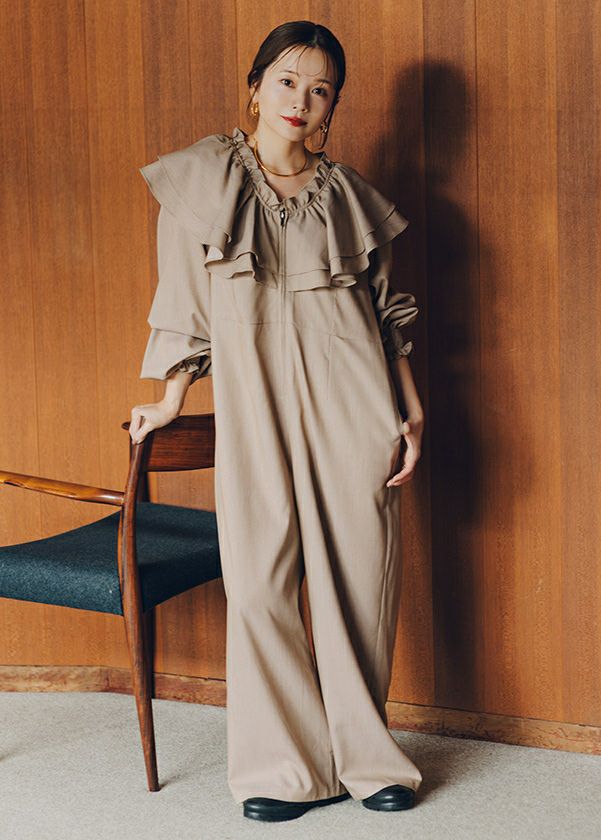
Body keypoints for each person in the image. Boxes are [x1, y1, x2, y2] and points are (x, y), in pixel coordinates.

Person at [129, 20, 425, 823]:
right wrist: (171, 399)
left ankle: (368, 761)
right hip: (253, 404)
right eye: (288, 80)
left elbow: (385, 313)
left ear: (333, 105)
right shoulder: (201, 182)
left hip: (354, 399)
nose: (302, 99)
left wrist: (408, 405)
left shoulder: (351, 197)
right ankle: (283, 769)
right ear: (255, 88)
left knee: (359, 577)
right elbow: (184, 304)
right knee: (259, 578)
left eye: (321, 88)